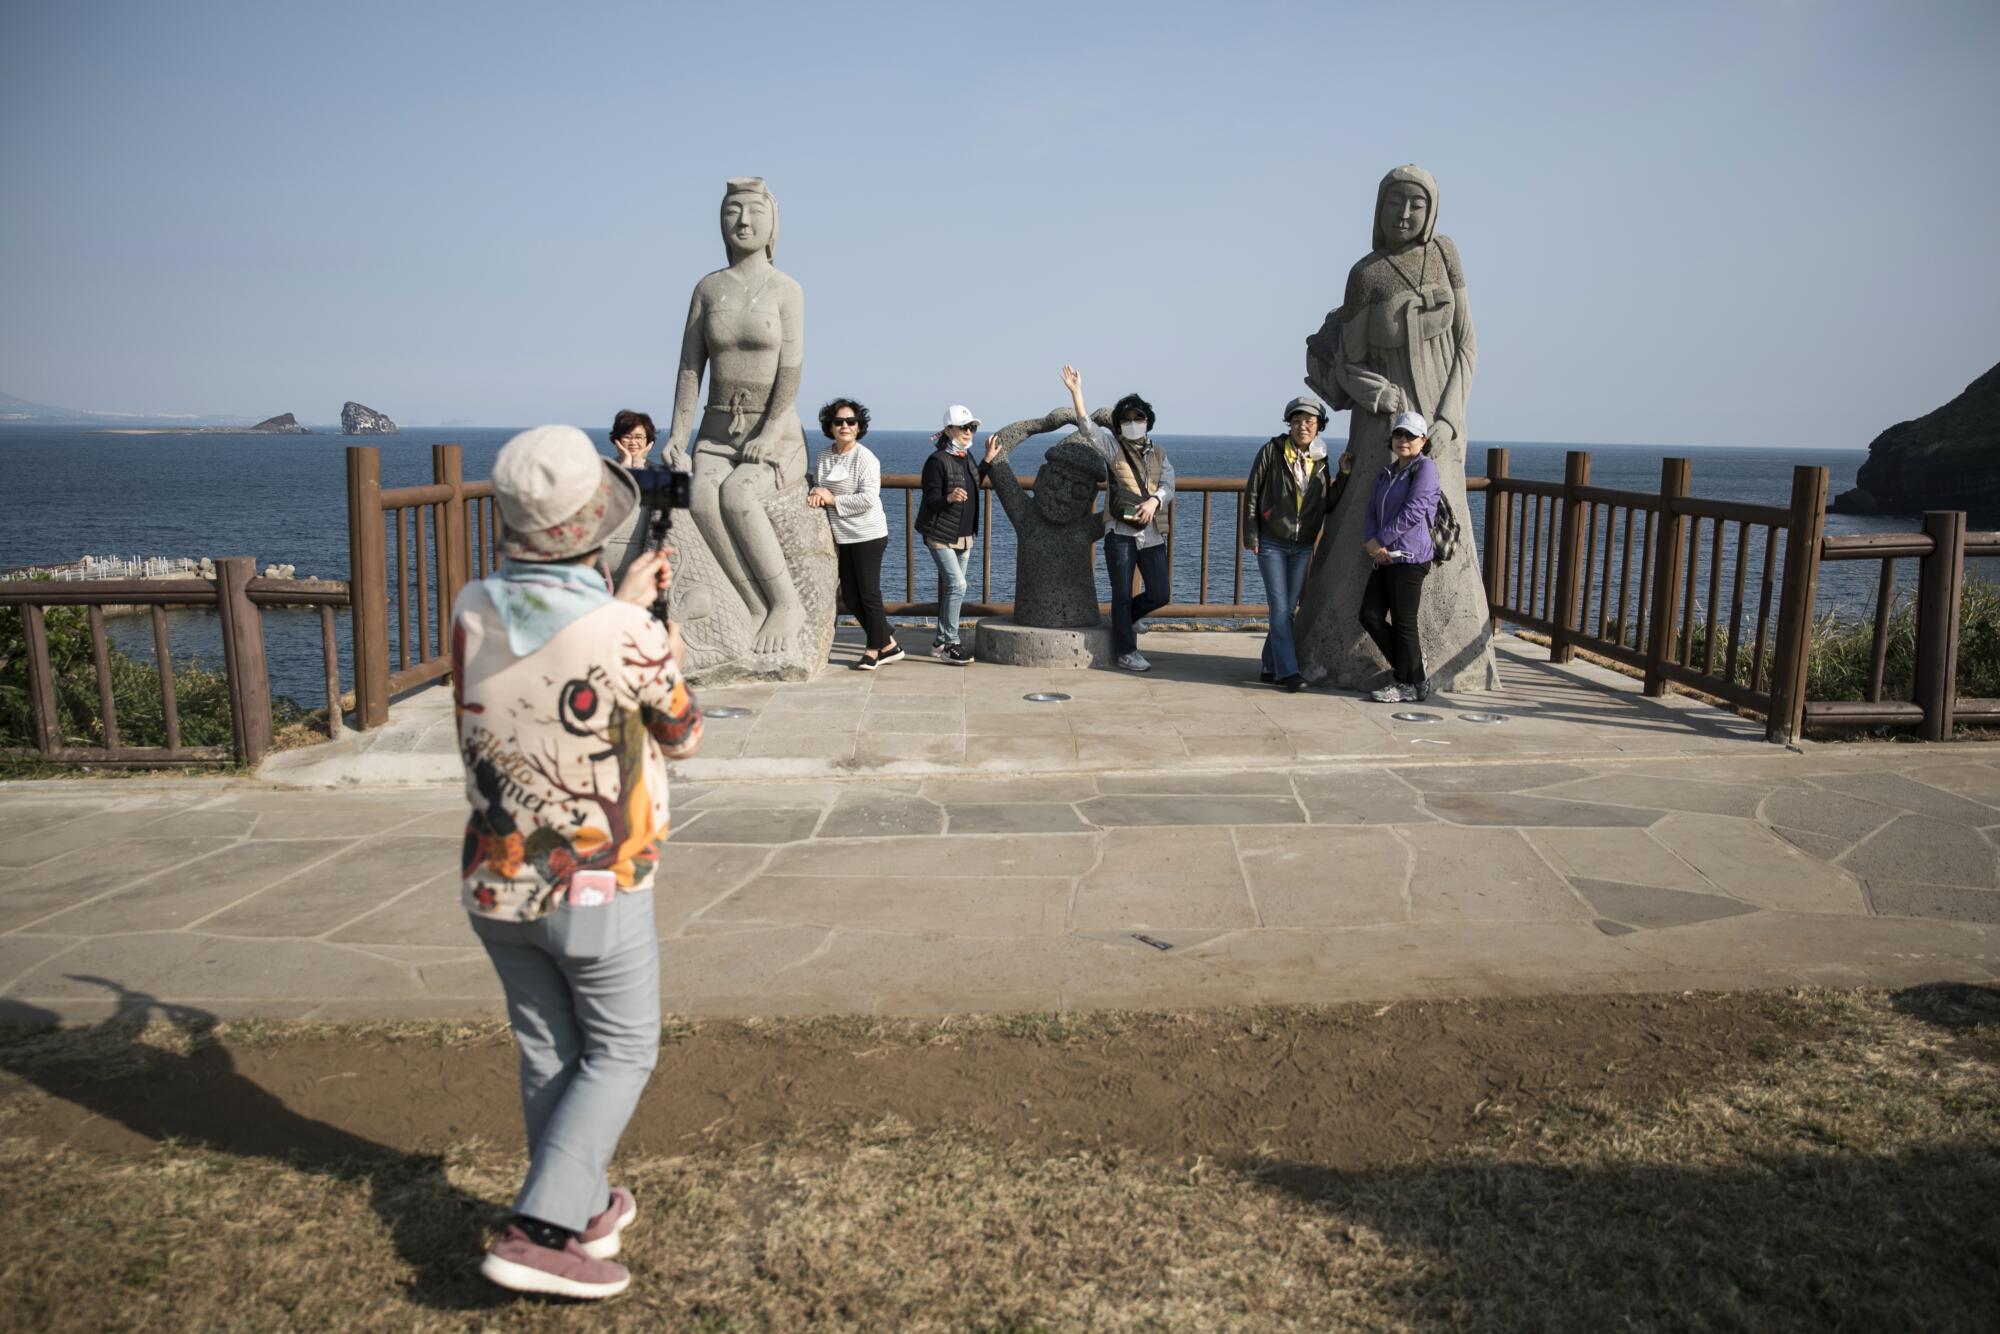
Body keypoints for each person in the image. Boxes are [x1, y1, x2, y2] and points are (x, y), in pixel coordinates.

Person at [450, 424, 703, 1300]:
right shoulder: (624, 631)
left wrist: (620, 602)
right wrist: (643, 623)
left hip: (494, 872)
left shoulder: (471, 608)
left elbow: (548, 639)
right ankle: (536, 1231)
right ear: (597, 519)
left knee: (549, 1048)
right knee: (625, 1047)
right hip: (596, 879)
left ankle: (586, 1203)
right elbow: (684, 730)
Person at [659, 177, 809, 653]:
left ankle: (786, 601)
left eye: (754, 212)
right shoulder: (707, 289)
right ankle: (752, 602)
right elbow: (689, 368)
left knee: (739, 495)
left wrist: (769, 430)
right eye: (731, 212)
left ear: (773, 224)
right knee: (702, 497)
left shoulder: (787, 290)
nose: (743, 221)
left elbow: (791, 369)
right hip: (717, 429)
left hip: (775, 431)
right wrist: (677, 437)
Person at [1060, 364, 1175, 672]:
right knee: (1122, 593)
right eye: (1126, 419)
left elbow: (1168, 484)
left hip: (1151, 532)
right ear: (1119, 424)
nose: (1133, 423)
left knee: (1160, 592)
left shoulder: (1159, 453)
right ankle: (1126, 651)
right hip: (1120, 531)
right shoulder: (1112, 447)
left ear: (1148, 421)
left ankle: (1127, 619)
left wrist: (1155, 500)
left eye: (1138, 418)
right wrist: (1077, 392)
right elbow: (1087, 427)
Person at [1244, 395, 1350, 690]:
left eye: (1309, 421)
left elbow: (1325, 501)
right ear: (1288, 424)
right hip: (1272, 541)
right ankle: (1287, 673)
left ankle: (1269, 664)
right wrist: (1251, 534)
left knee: (1288, 610)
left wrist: (1343, 475)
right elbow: (1253, 492)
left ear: (1318, 426)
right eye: (1297, 420)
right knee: (1279, 609)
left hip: (1302, 544)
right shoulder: (1272, 451)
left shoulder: (1320, 457)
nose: (1303, 426)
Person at [808, 398, 902, 669]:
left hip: (868, 534)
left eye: (851, 422)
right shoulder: (825, 455)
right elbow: (820, 484)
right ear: (830, 426)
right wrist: (816, 492)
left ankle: (875, 649)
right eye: (839, 422)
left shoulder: (865, 458)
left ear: (859, 427)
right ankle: (888, 641)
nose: (845, 426)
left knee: (869, 594)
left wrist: (832, 500)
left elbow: (868, 499)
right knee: (849, 596)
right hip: (842, 535)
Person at [1359, 410, 1440, 702]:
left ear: (1423, 440)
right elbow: (1371, 509)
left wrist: (1380, 540)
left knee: (1405, 622)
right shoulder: (1388, 472)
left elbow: (1414, 511)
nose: (1403, 440)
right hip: (1384, 556)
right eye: (1398, 434)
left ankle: (1406, 683)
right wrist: (1372, 543)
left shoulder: (1426, 469)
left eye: (1410, 435)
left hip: (1410, 557)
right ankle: (1415, 672)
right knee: (1369, 615)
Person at [914, 404, 989, 664]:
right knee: (958, 586)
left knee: (953, 590)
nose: (969, 432)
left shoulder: (965, 457)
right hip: (940, 534)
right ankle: (951, 643)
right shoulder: (937, 461)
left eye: (972, 427)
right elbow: (932, 499)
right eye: (964, 427)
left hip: (964, 535)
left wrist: (988, 459)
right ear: (948, 430)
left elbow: (976, 481)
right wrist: (949, 497)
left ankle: (939, 642)